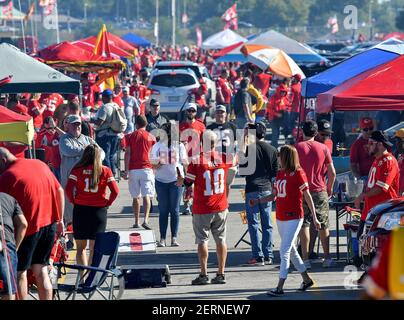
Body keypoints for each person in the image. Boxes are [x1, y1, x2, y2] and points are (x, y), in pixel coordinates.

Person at [249, 145, 319, 296]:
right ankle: (307, 280)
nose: (278, 158)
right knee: (292, 251)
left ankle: (280, 287)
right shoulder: (280, 173)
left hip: (294, 217)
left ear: (286, 157)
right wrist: (258, 201)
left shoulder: (298, 173)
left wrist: (314, 217)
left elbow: (307, 196)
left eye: (279, 155)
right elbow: (274, 196)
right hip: (281, 217)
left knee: (284, 251)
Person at [0, 147, 65, 300]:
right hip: (49, 225)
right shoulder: (39, 164)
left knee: (19, 272)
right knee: (41, 271)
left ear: (3, 160)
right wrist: (60, 219)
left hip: (27, 230)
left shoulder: (7, 177)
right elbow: (59, 191)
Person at [178, 130, 232, 285]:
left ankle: (204, 274)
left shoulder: (197, 160)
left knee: (202, 240)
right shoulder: (224, 158)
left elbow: (188, 183)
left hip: (203, 206)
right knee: (221, 239)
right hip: (221, 205)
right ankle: (221, 273)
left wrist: (181, 179)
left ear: (202, 143)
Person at [65, 144, 119, 267]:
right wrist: (108, 203)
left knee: (80, 249)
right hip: (99, 211)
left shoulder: (77, 170)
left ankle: (82, 277)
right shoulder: (105, 170)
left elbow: (68, 189)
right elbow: (115, 191)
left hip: (81, 210)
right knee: (94, 248)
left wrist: (74, 201)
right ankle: (90, 277)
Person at [296, 120, 336, 269]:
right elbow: (332, 172)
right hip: (319, 190)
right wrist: (329, 188)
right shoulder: (323, 148)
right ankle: (327, 258)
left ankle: (305, 259)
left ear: (302, 132)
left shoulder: (297, 148)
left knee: (304, 224)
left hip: (301, 190)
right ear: (316, 132)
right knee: (323, 223)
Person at [239, 122, 278, 265]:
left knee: (253, 224)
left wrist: (243, 139)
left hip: (252, 189)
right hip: (267, 189)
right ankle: (268, 255)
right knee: (267, 223)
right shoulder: (273, 149)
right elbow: (276, 173)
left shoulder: (249, 149)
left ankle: (257, 255)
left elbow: (243, 171)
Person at [354, 131, 399, 238]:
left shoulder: (388, 161)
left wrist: (362, 196)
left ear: (380, 144)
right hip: (370, 211)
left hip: (382, 213)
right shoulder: (377, 160)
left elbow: (381, 188)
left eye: (371, 143)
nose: (367, 146)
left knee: (374, 250)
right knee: (361, 243)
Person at [151, 122, 187, 247]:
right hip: (161, 181)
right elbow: (152, 165)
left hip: (176, 180)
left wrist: (188, 182)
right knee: (163, 210)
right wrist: (160, 162)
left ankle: (174, 238)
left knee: (175, 210)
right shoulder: (157, 146)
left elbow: (185, 163)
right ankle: (162, 238)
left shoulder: (179, 146)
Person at [124, 115, 156, 230]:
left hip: (133, 169)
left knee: (135, 197)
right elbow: (153, 154)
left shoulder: (131, 136)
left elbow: (127, 153)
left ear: (136, 124)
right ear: (146, 124)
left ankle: (136, 221)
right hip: (147, 168)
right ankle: (146, 219)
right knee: (146, 195)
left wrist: (126, 170)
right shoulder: (151, 137)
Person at [0, 193, 28, 300]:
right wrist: (15, 248)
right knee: (8, 287)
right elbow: (23, 224)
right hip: (6, 242)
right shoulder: (9, 198)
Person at [179, 103, 206, 215]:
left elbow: (205, 142)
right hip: (185, 159)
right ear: (186, 112)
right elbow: (175, 142)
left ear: (195, 112)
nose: (191, 112)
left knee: (197, 183)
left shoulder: (201, 126)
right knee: (187, 182)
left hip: (197, 158)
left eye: (193, 111)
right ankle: (186, 205)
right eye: (189, 111)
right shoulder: (180, 126)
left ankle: (195, 204)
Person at [206, 105, 238, 197]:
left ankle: (225, 203)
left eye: (222, 112)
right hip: (214, 161)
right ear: (214, 114)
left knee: (227, 184)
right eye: (218, 112)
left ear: (226, 114)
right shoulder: (209, 128)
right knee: (214, 184)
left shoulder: (232, 127)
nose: (220, 114)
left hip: (229, 160)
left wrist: (236, 157)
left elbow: (240, 144)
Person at [94, 89, 121, 175]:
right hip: (116, 134)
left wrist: (91, 120)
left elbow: (99, 122)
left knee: (104, 156)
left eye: (102, 97)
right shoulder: (116, 105)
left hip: (105, 135)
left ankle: (109, 175)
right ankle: (113, 173)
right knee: (112, 156)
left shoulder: (105, 107)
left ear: (105, 97)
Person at [350, 117, 375, 183]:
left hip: (379, 177)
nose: (369, 131)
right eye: (365, 129)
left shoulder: (380, 141)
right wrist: (359, 179)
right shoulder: (356, 145)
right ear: (361, 129)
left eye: (371, 128)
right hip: (365, 177)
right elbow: (353, 164)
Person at [267, 84, 291, 148]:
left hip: (281, 119)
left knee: (279, 132)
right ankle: (273, 146)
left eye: (284, 92)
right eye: (282, 92)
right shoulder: (273, 98)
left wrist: (287, 109)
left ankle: (275, 146)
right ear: (279, 91)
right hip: (273, 118)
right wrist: (276, 114)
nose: (283, 93)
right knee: (275, 133)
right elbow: (269, 109)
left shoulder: (285, 99)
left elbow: (288, 106)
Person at [394, 128, 404, 196]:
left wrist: (401, 191)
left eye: (398, 140)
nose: (396, 143)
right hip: (397, 192)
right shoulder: (398, 154)